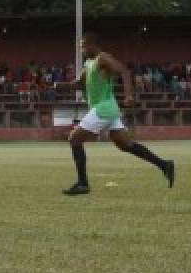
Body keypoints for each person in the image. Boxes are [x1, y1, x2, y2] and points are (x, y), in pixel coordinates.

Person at [54, 31, 174, 195]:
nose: (82, 51)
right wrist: (60, 86)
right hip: (107, 110)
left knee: (74, 139)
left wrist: (129, 95)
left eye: (83, 47)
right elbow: (79, 84)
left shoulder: (103, 58)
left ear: (92, 45)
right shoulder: (89, 63)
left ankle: (83, 184)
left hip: (104, 108)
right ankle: (165, 165)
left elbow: (124, 71)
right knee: (126, 145)